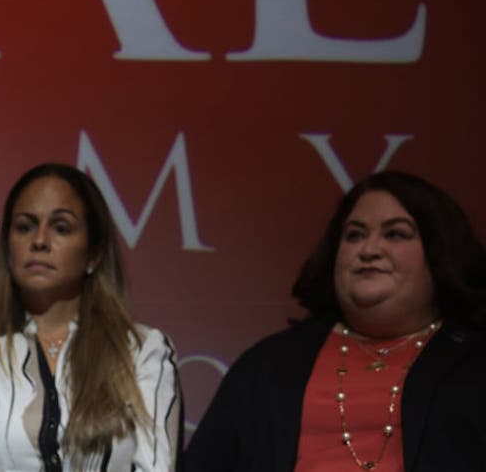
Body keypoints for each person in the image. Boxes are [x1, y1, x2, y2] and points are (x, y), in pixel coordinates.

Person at [183, 170, 486, 471]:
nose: (369, 250)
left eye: (395, 234)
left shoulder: (474, 362)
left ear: (439, 252)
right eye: (354, 235)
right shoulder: (270, 365)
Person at [0, 163, 181, 471]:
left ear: (94, 253)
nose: (40, 241)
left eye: (61, 228)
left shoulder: (145, 350)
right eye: (25, 226)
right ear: (7, 244)